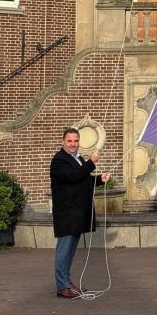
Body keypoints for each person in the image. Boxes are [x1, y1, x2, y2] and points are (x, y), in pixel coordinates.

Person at [50, 127, 109, 299]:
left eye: (76, 141)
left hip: (77, 214)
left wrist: (99, 179)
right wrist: (91, 162)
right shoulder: (59, 160)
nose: (73, 144)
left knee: (70, 252)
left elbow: (82, 180)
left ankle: (67, 283)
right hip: (67, 214)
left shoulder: (78, 159)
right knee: (63, 252)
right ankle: (62, 286)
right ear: (63, 142)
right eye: (69, 141)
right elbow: (72, 177)